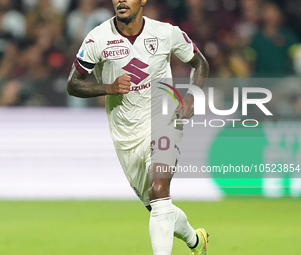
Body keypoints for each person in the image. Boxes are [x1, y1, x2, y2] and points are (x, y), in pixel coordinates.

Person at [67, 1, 209, 254]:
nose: (121, 0)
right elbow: (73, 85)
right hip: (126, 134)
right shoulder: (97, 39)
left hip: (164, 119)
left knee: (159, 190)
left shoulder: (165, 32)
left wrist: (191, 97)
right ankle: (196, 241)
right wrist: (107, 87)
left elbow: (200, 63)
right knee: (159, 206)